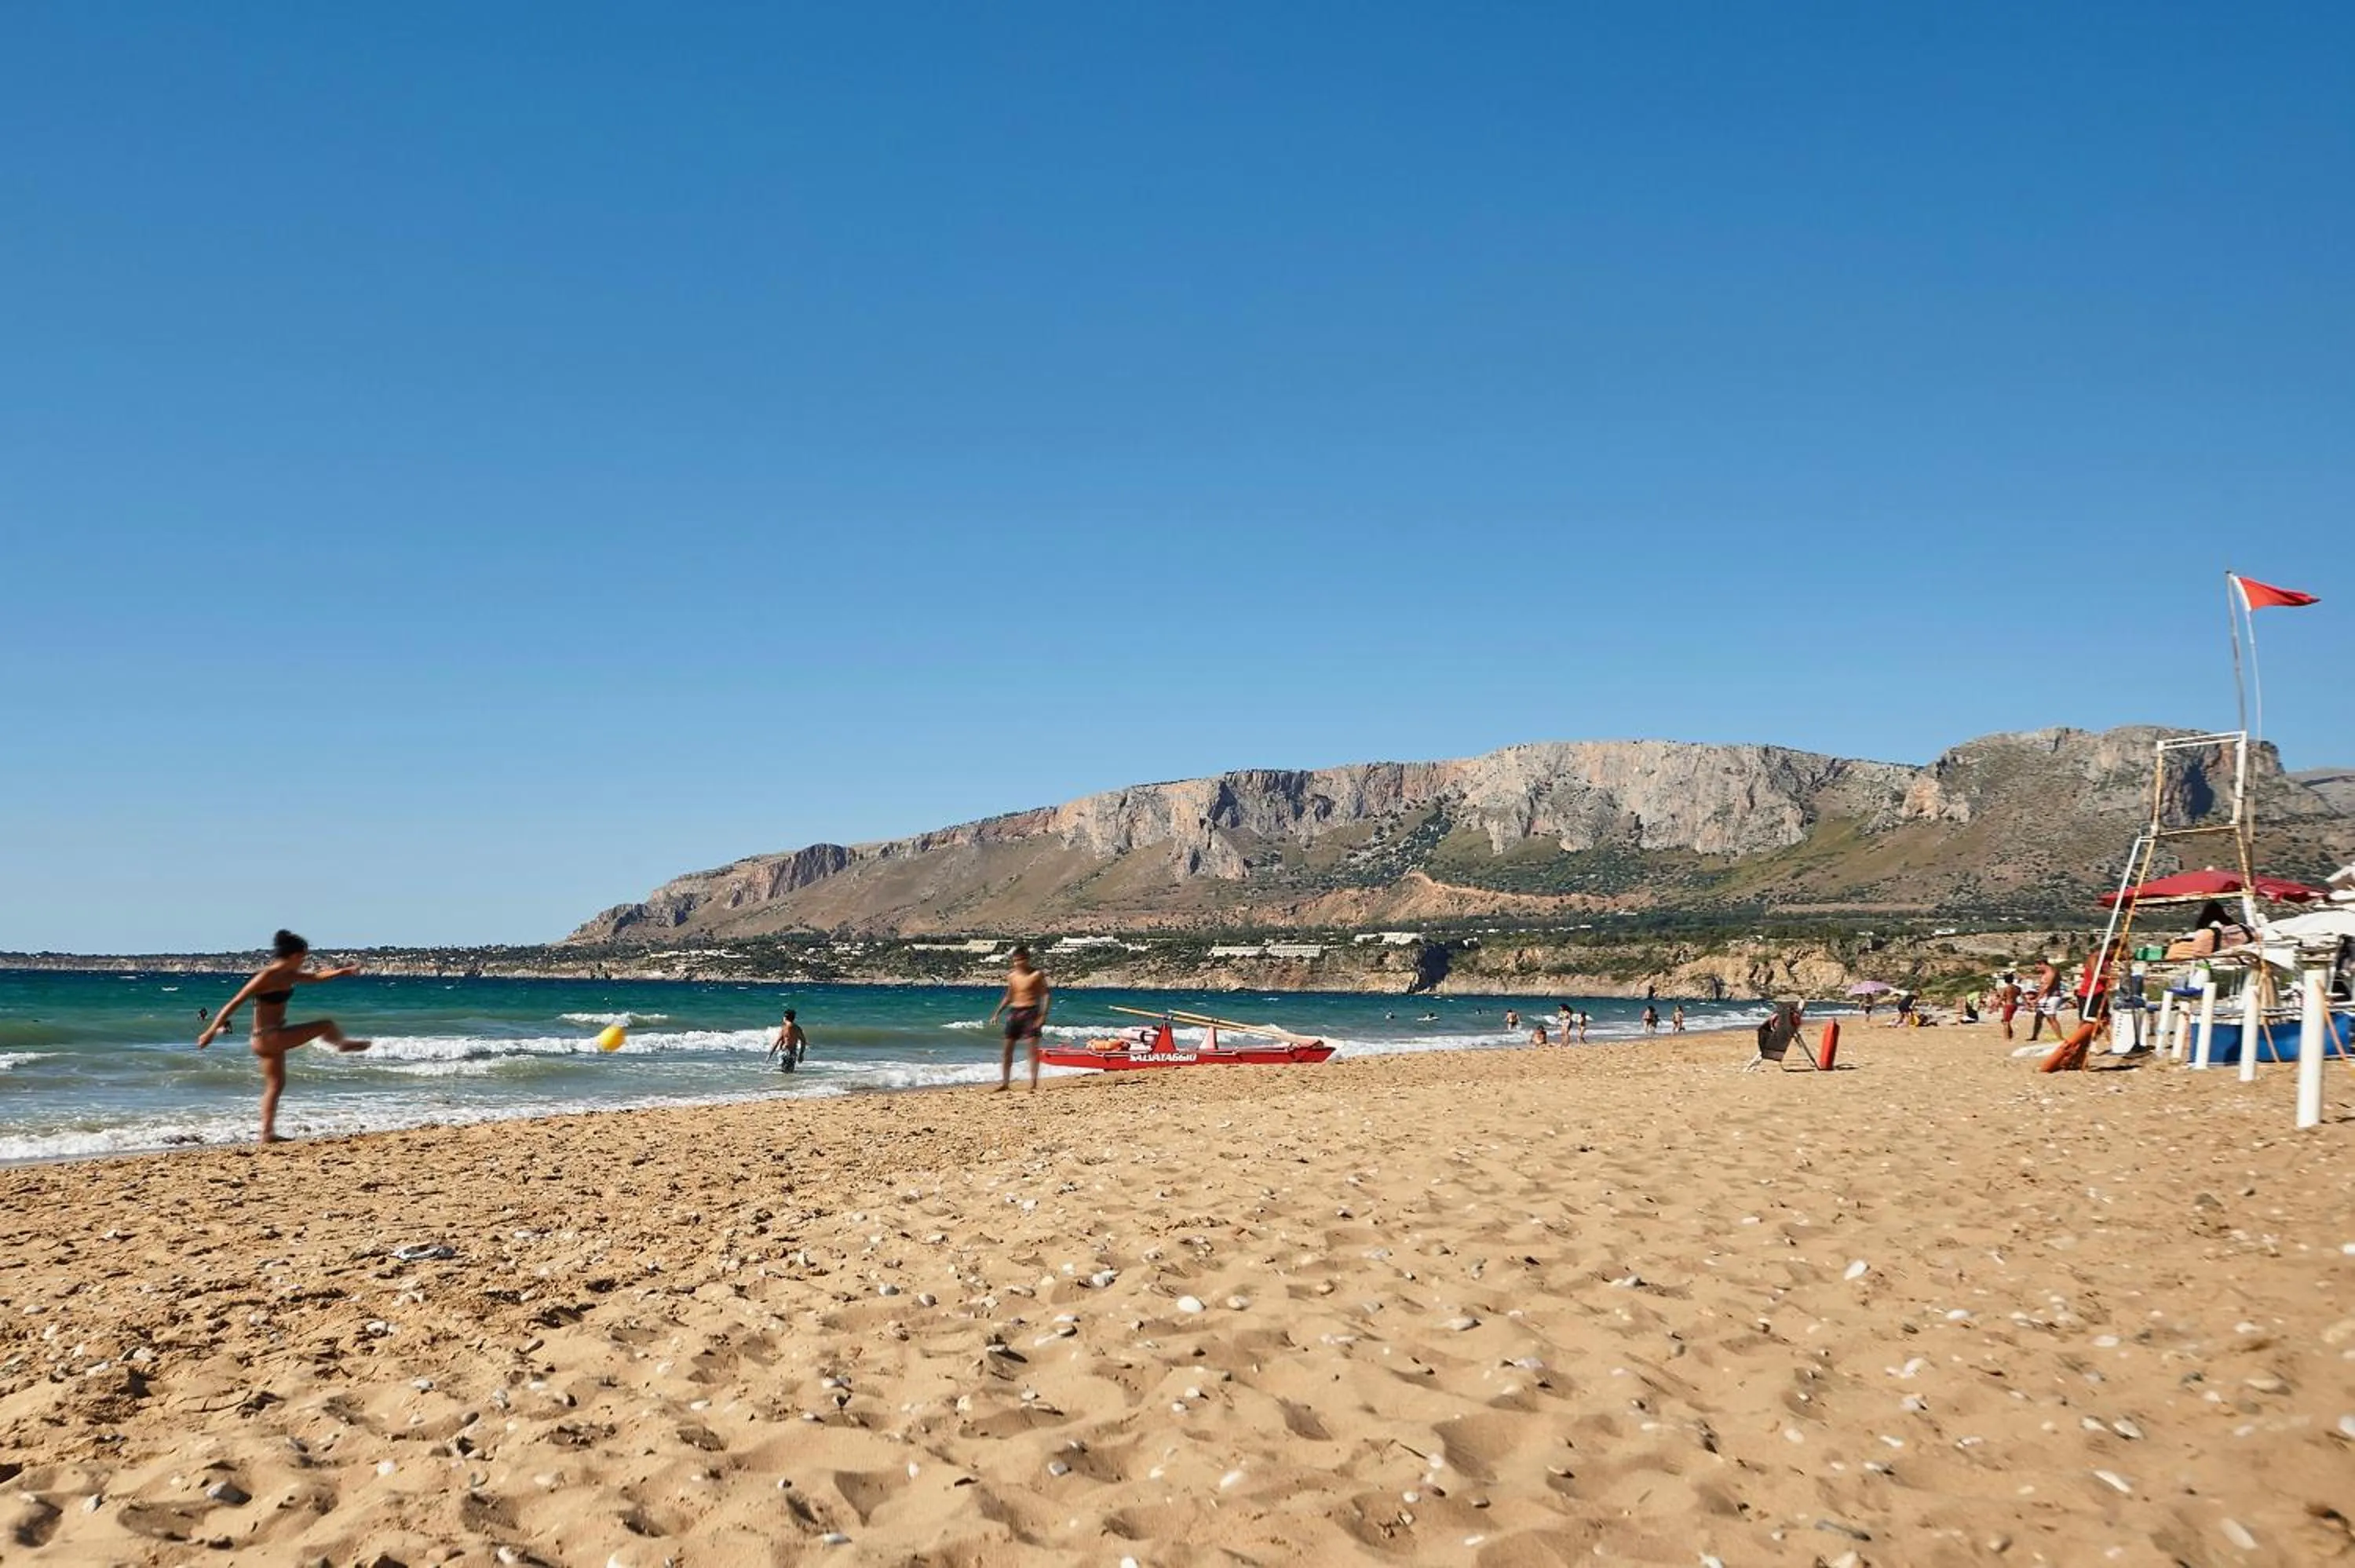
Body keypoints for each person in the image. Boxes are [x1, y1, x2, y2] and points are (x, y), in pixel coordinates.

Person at [196, 930, 368, 1143]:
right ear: (295, 955)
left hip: (266, 1040)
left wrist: (341, 972)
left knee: (276, 1085)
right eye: (304, 956)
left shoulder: (289, 975)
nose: (305, 960)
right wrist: (211, 1031)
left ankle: (267, 1133)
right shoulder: (266, 976)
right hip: (270, 1037)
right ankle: (341, 1044)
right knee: (326, 1025)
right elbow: (234, 1003)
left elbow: (315, 978)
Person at [984, 945, 1052, 1092]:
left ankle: (1033, 1084)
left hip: (1031, 1012)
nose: (1017, 963)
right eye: (1015, 961)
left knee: (1032, 1051)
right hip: (1014, 1012)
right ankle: (1005, 1084)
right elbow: (1009, 996)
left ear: (1027, 959)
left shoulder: (1036, 974)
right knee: (1007, 1050)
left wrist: (1042, 1016)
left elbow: (1045, 994)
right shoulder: (1012, 976)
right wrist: (997, 1013)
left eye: (1020, 960)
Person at [768, 1008, 808, 1073]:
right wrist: (801, 1054)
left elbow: (777, 1043)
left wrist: (770, 1055)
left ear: (785, 1018)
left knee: (784, 1072)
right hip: (793, 1052)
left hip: (785, 1052)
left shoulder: (785, 1028)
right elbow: (803, 1041)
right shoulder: (798, 1028)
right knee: (790, 1071)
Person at [1995, 972, 2021, 1040]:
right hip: (2015, 1005)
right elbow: (2020, 995)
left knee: (2005, 1022)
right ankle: (2010, 1033)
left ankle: (2007, 1037)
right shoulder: (2017, 988)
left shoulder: (2006, 988)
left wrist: (1996, 1005)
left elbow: (2002, 998)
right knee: (2006, 1021)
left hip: (2008, 1005)